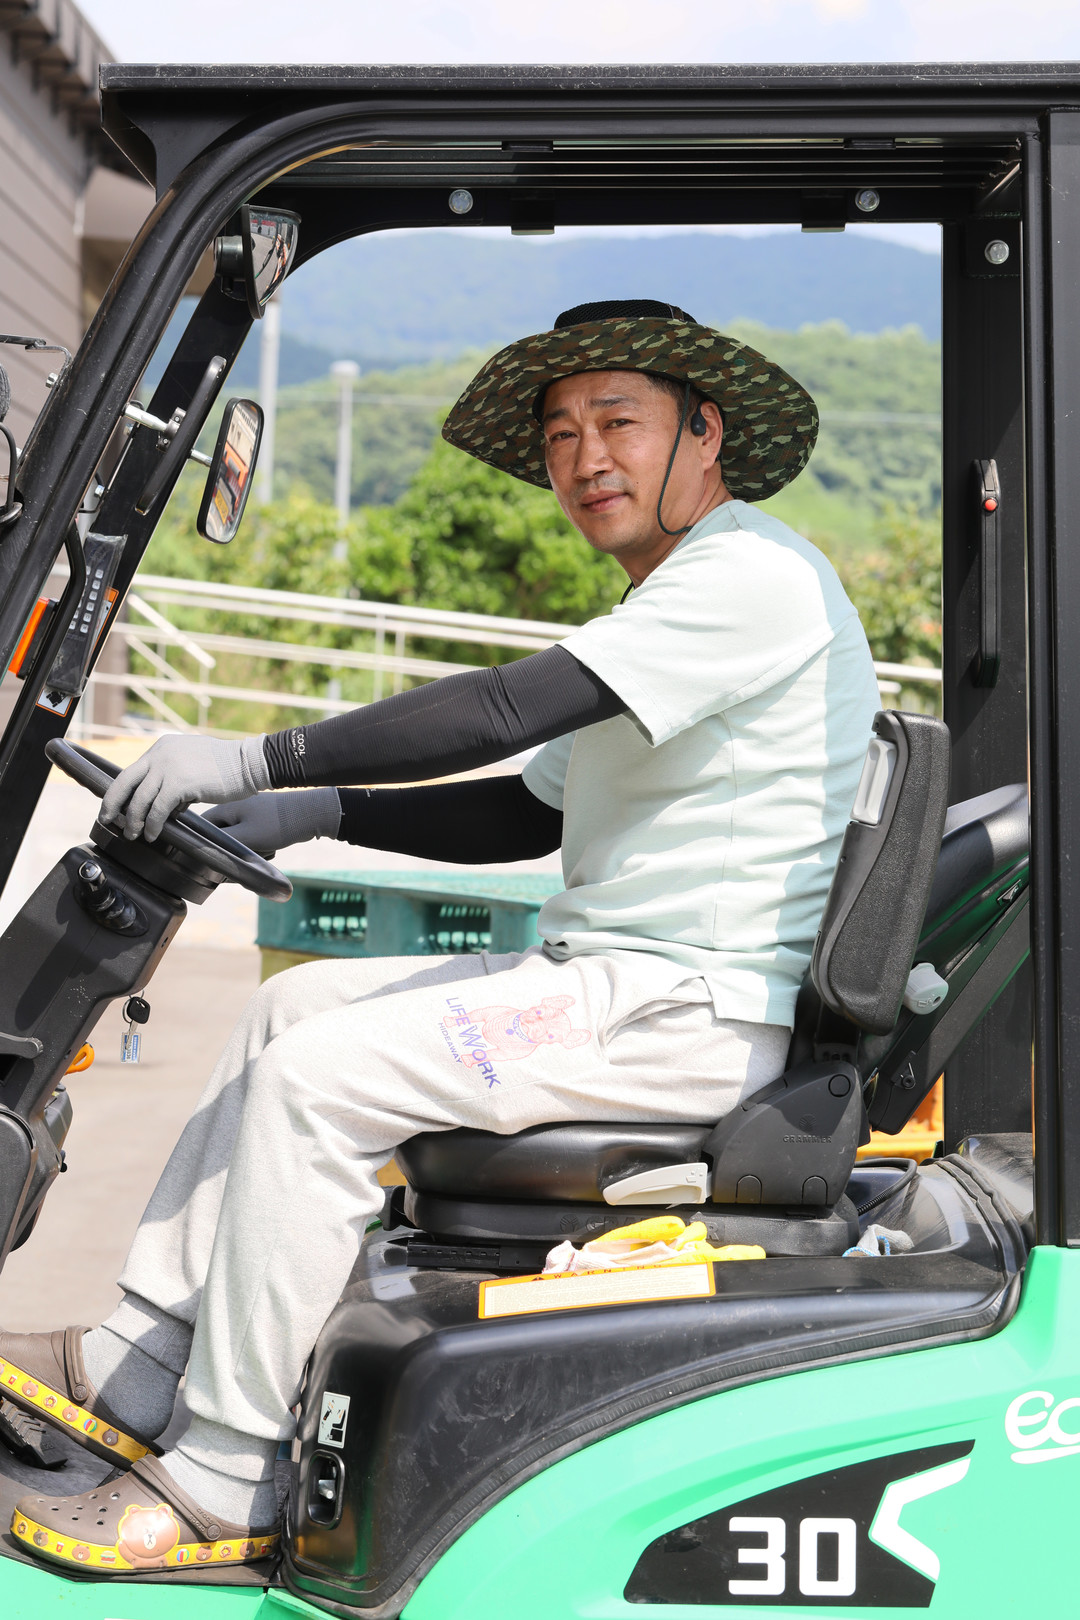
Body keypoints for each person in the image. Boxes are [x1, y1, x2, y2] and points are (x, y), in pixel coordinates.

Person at [1, 298, 879, 1574]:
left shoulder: (752, 577)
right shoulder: (674, 603)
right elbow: (522, 811)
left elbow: (507, 710)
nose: (586, 459)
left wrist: (262, 755)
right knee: (290, 1007)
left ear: (706, 434)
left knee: (320, 1081)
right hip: (618, 986)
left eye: (619, 423)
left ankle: (228, 1472)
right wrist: (319, 811)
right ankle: (141, 1360)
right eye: (563, 434)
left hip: (682, 1009)